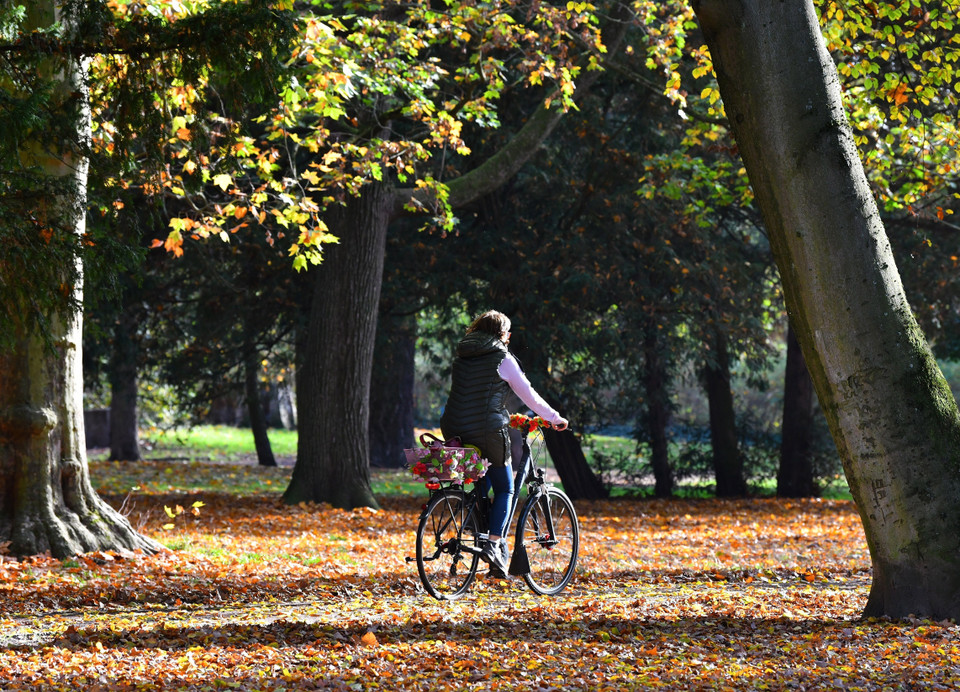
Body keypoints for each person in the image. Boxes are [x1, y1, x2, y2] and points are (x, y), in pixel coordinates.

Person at [440, 310, 568, 577]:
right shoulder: (502, 358)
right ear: (502, 334)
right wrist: (554, 418)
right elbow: (529, 394)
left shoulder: (462, 356)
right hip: (487, 429)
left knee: (483, 478)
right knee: (506, 488)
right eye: (507, 332)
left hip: (453, 427)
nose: (509, 337)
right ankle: (493, 543)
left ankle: (476, 524)